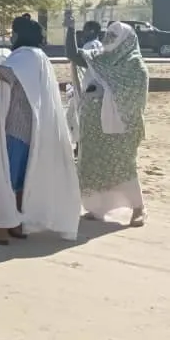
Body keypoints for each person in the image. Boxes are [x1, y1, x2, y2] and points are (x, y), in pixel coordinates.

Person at [0, 15, 80, 243]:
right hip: (30, 131)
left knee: (6, 179)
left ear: (20, 35)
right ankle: (17, 225)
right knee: (20, 181)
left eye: (13, 33)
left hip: (15, 130)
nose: (12, 37)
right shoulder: (38, 57)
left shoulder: (24, 57)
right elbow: (8, 74)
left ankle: (1, 231)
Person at [66, 20, 148, 225]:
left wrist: (106, 92)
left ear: (126, 41)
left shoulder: (136, 66)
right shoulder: (99, 58)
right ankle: (98, 208)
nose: (108, 40)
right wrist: (70, 28)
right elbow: (73, 55)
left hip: (122, 126)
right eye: (107, 35)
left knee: (123, 166)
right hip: (94, 123)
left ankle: (138, 208)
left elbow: (134, 99)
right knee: (94, 165)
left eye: (114, 36)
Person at [65, 20, 104, 145]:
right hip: (95, 91)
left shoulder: (90, 46)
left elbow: (75, 57)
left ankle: (79, 146)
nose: (82, 34)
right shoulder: (100, 45)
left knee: (74, 119)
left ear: (92, 31)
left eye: (85, 30)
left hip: (89, 92)